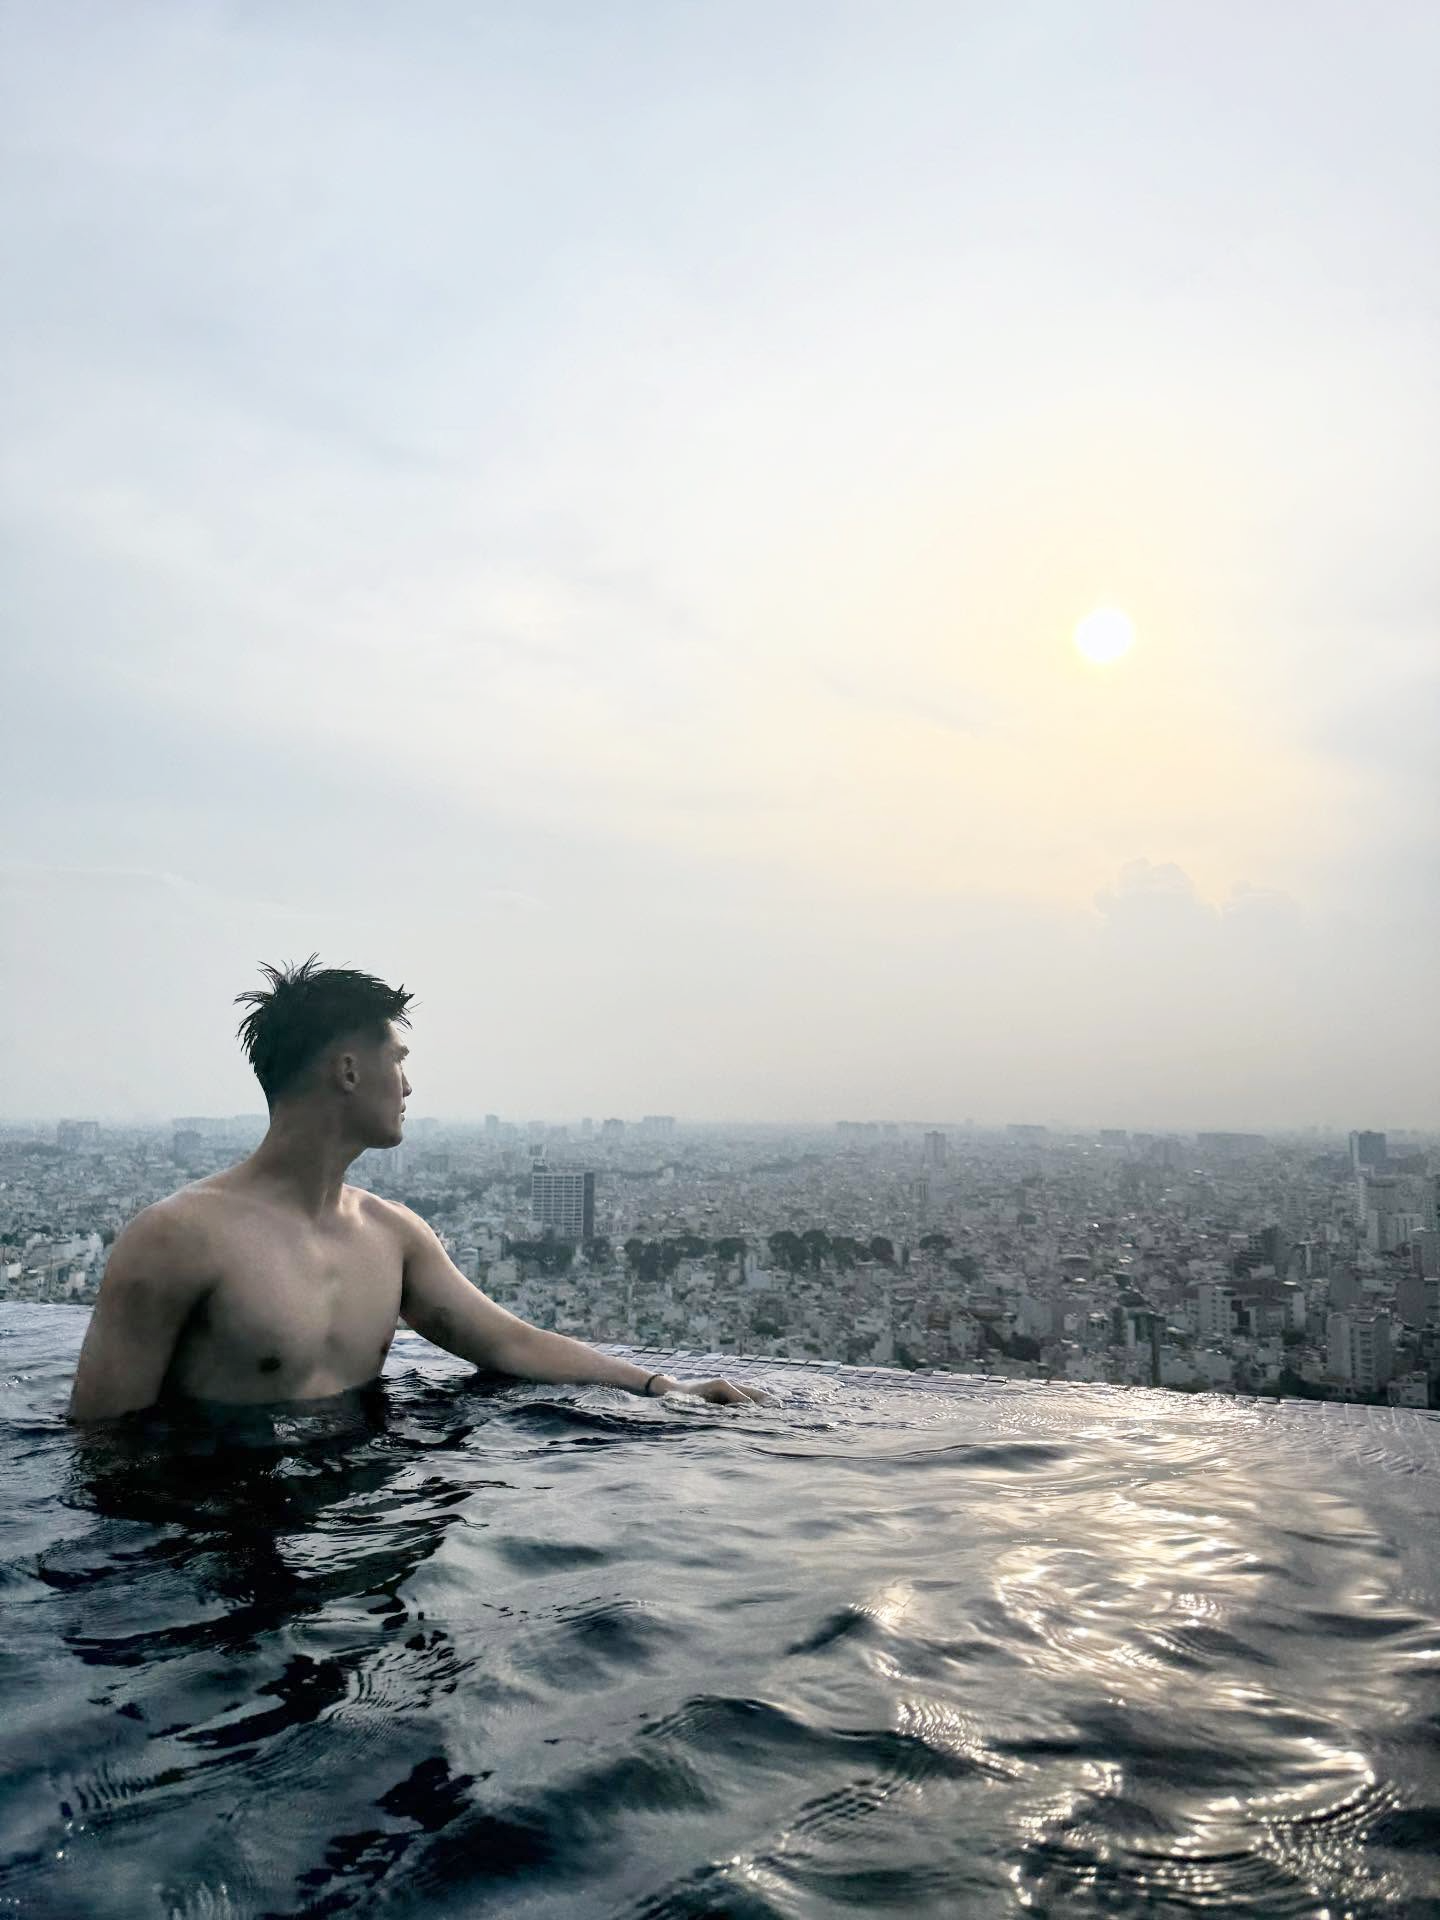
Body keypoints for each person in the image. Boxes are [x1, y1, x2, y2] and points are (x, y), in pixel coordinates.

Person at [68, 956, 767, 1421]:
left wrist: (661, 1386)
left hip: (356, 1536)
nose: (408, 1085)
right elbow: (100, 1444)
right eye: (398, 1060)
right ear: (348, 1071)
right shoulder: (178, 1239)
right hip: (214, 1559)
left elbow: (510, 1343)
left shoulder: (393, 1236)